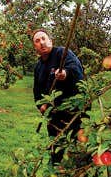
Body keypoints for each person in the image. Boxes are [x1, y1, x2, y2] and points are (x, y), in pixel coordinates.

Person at [31, 29, 85, 165]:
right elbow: (37, 90)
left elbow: (76, 69)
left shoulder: (62, 53)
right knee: (56, 147)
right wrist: (41, 105)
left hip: (73, 109)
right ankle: (54, 173)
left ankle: (77, 176)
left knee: (77, 146)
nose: (41, 43)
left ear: (50, 41)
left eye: (43, 38)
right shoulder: (38, 67)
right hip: (54, 114)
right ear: (35, 48)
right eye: (37, 41)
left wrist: (65, 74)